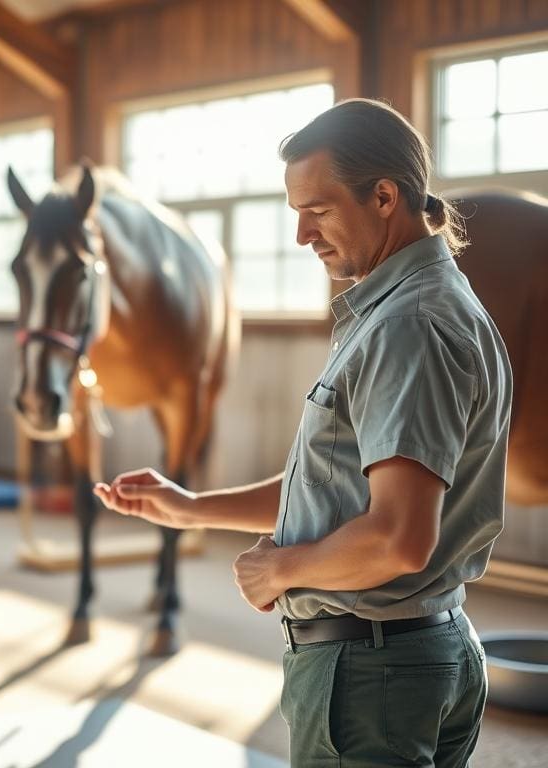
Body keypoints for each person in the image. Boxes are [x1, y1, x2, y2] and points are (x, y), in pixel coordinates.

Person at [94, 98, 512, 767]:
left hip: (371, 674)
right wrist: (194, 508)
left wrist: (278, 570)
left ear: (383, 197)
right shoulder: (429, 301)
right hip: (416, 652)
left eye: (316, 211)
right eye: (294, 214)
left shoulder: (408, 327)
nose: (301, 236)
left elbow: (400, 537)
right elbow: (341, 485)